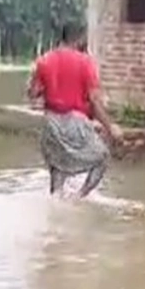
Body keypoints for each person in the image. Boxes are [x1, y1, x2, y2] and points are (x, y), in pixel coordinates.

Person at [28, 24, 123, 198]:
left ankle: (56, 205)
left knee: (58, 167)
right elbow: (94, 101)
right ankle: (79, 197)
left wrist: (40, 82)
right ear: (79, 38)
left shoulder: (43, 60)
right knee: (102, 157)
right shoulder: (86, 62)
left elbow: (33, 94)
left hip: (51, 123)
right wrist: (111, 128)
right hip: (76, 122)